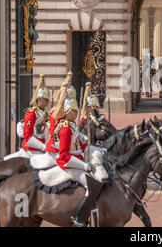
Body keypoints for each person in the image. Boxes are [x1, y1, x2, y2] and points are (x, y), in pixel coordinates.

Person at [56, 97, 107, 227]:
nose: (76, 113)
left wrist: (100, 149)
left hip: (77, 160)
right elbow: (64, 154)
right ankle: (79, 220)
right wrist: (84, 165)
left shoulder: (73, 126)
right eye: (73, 111)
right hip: (69, 164)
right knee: (92, 185)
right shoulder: (65, 129)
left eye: (76, 110)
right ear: (67, 111)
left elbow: (82, 146)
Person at [21, 74, 50, 155]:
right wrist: (42, 146)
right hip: (32, 147)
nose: (48, 102)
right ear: (39, 99)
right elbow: (27, 135)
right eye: (46, 100)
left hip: (42, 144)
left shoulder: (45, 112)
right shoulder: (32, 113)